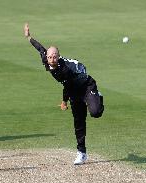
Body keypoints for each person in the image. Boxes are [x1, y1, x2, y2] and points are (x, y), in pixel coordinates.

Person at [23, 23, 104, 165]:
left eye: (55, 57)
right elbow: (39, 48)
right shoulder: (45, 59)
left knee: (96, 112)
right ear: (47, 57)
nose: (52, 59)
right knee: (79, 121)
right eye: (50, 57)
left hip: (85, 86)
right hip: (73, 90)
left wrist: (64, 102)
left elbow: (67, 87)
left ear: (58, 57)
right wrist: (29, 37)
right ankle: (82, 153)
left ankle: (98, 96)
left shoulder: (64, 69)